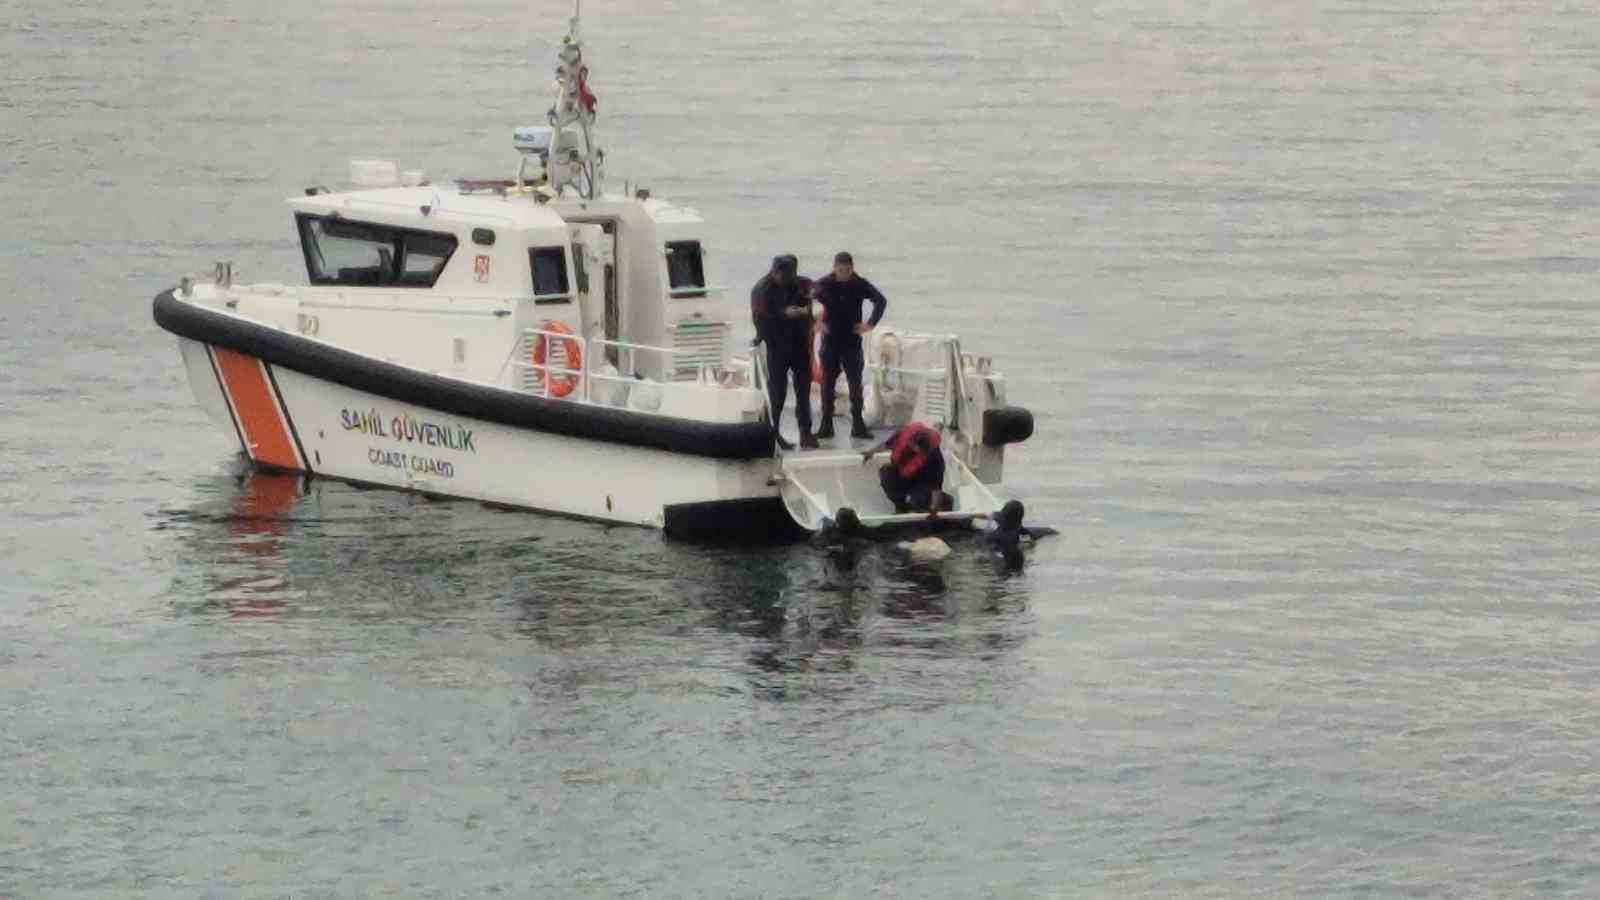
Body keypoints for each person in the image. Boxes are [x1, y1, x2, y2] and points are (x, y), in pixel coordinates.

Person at [812, 251, 887, 440]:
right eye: (840, 270)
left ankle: (858, 426)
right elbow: (804, 299)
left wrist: (870, 324)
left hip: (851, 340)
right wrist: (815, 322)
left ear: (852, 268)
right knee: (827, 382)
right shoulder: (825, 284)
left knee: (855, 383)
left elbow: (880, 300)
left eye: (847, 270)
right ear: (834, 268)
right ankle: (826, 425)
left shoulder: (859, 283)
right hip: (830, 340)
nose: (844, 274)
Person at [750, 254, 817, 450]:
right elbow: (759, 318)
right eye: (780, 274)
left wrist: (808, 308)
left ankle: (805, 433)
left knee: (803, 390)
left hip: (799, 344)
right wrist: (783, 314)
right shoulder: (762, 289)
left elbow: (818, 293)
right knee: (777, 392)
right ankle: (773, 434)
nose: (783, 278)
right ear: (774, 271)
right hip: (776, 346)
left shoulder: (802, 284)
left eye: (788, 275)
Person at [861, 421, 953, 517]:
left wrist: (934, 510)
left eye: (924, 449)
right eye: (917, 446)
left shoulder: (935, 458)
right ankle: (901, 507)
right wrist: (870, 452)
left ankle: (945, 502)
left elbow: (936, 487)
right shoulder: (905, 435)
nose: (919, 450)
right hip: (905, 476)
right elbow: (887, 444)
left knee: (919, 500)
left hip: (922, 483)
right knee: (886, 473)